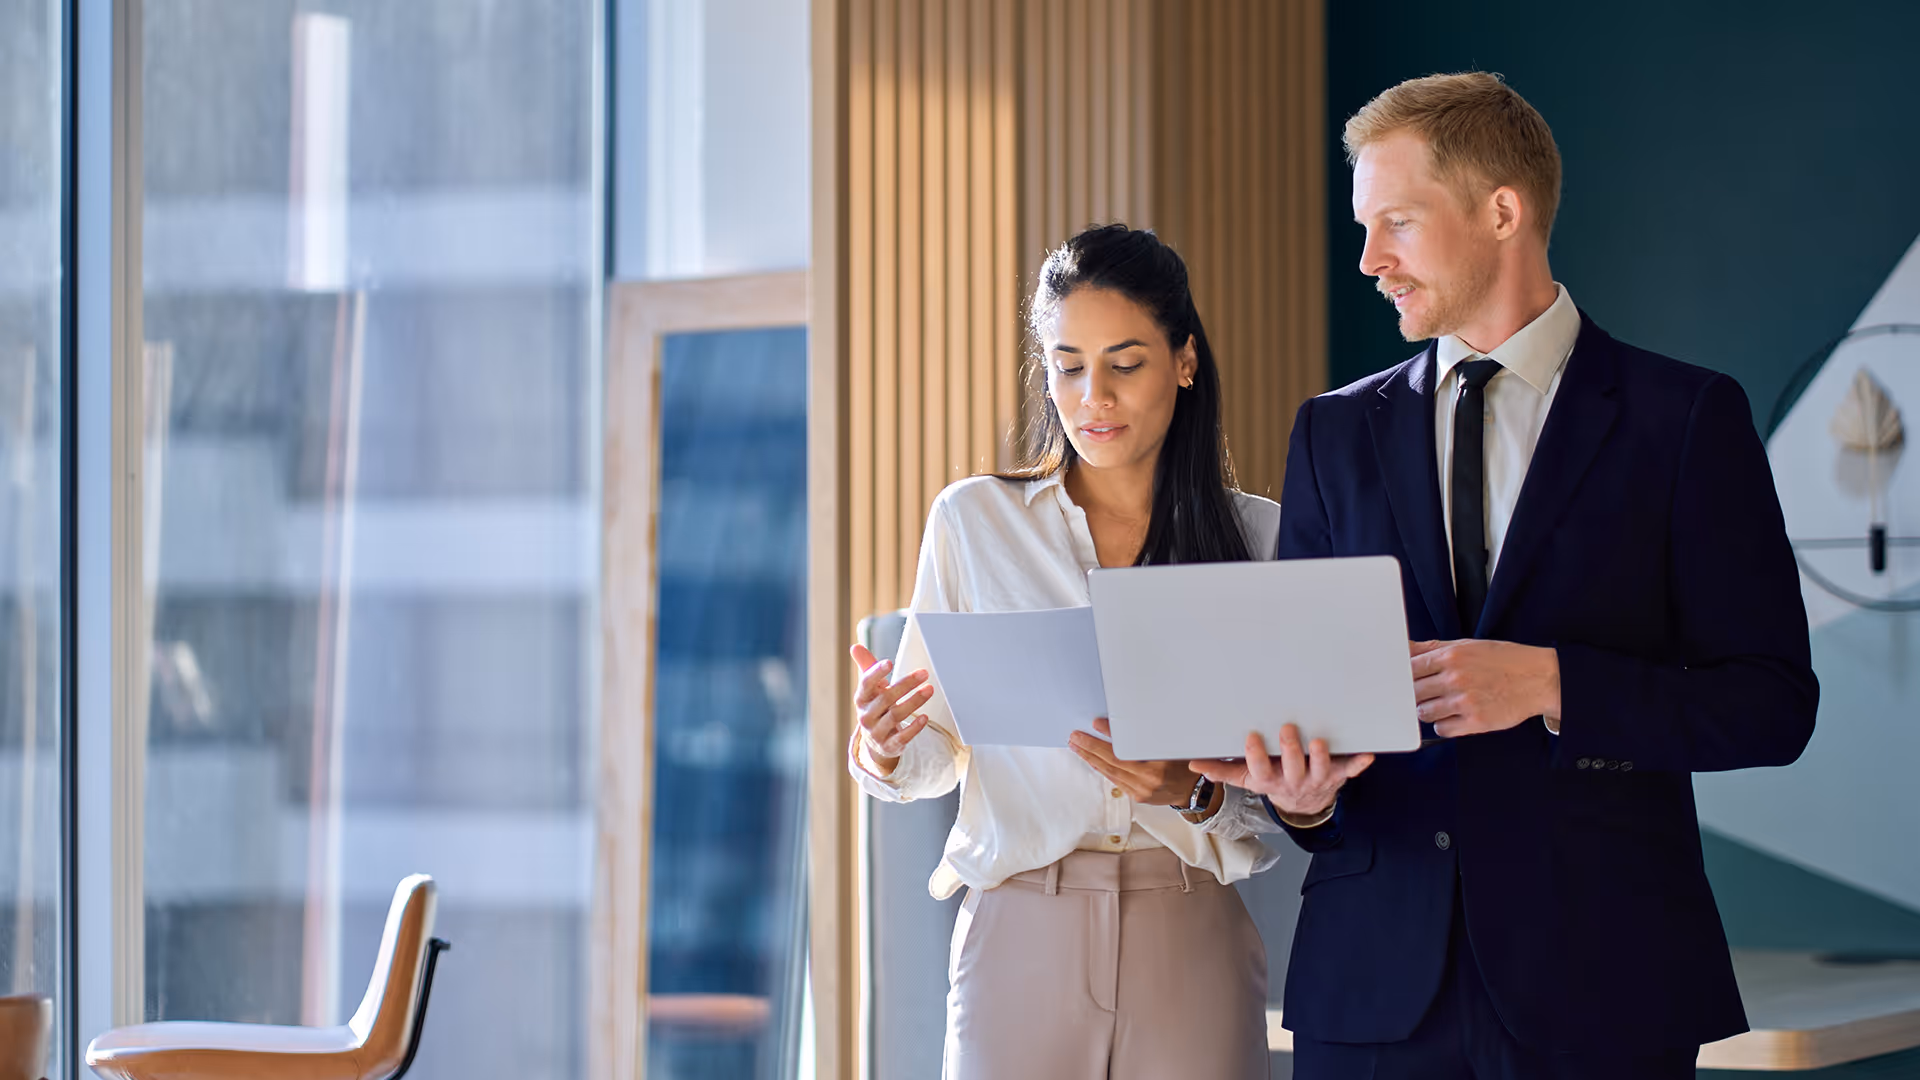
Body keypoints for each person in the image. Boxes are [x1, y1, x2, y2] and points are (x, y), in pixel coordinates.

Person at [1197, 73, 1818, 1079]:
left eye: (1395, 220)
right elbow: (1309, 713)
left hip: (1606, 982)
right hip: (1372, 989)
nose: (1369, 260)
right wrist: (1301, 796)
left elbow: (1771, 705)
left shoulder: (1685, 420)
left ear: (1501, 211)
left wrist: (1551, 684)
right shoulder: (1332, 432)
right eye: (1365, 227)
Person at [846, 224, 1279, 1079]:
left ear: (1184, 360)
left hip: (1190, 927)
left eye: (1125, 364)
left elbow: (1285, 792)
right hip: (1019, 932)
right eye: (1068, 365)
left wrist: (1189, 792)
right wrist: (885, 744)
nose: (1094, 398)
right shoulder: (974, 523)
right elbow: (935, 755)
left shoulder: (1260, 538)